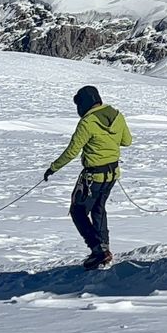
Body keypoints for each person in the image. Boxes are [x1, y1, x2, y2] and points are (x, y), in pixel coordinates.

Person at [45, 85, 133, 270]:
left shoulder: (88, 122)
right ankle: (104, 248)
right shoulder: (117, 116)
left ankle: (98, 250)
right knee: (99, 209)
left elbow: (72, 151)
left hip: (94, 175)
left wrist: (53, 168)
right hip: (112, 174)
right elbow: (127, 141)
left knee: (78, 211)